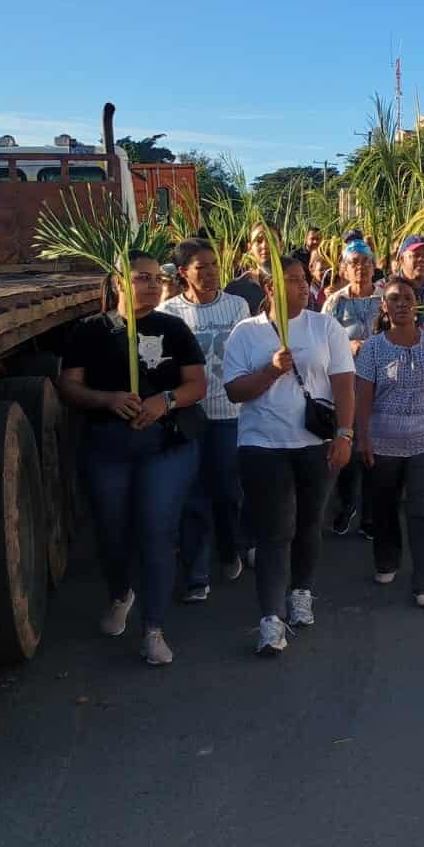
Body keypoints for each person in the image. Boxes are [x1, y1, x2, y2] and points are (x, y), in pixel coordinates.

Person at [58, 250, 209, 666]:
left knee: (157, 530)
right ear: (119, 281)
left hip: (165, 446)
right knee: (111, 531)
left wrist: (165, 401)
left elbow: (197, 384)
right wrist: (105, 399)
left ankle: (154, 628)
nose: (151, 284)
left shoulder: (173, 329)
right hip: (108, 447)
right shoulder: (89, 330)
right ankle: (121, 592)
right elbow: (69, 386)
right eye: (141, 277)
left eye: (156, 278)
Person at [223, 254, 355, 656]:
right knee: (274, 530)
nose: (302, 287)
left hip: (315, 444)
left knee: (308, 522)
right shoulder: (246, 333)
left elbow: (344, 384)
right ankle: (271, 618)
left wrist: (345, 435)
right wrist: (269, 372)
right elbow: (233, 392)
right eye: (293, 281)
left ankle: (302, 591)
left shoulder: (324, 326)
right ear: (270, 288)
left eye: (303, 279)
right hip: (263, 444)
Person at [354, 276, 424, 607]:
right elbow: (363, 395)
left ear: (416, 305)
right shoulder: (372, 347)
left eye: (407, 298)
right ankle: (387, 558)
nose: (401, 304)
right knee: (384, 505)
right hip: (383, 441)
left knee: (421, 509)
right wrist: (362, 437)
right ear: (385, 306)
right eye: (394, 299)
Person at [159, 239, 249, 601]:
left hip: (231, 415)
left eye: (214, 264)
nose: (210, 272)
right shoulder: (170, 313)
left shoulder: (238, 306)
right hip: (191, 417)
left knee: (229, 491)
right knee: (193, 496)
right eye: (201, 266)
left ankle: (229, 548)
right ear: (183, 273)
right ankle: (196, 574)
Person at [322, 240, 381, 537]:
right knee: (347, 444)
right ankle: (347, 505)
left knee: (375, 447)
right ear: (344, 269)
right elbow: (323, 340)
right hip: (347, 384)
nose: (361, 268)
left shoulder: (385, 298)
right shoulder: (334, 302)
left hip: (383, 383)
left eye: (366, 262)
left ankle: (371, 513)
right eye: (354, 262)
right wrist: (348, 345)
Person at [224, 221, 272, 315]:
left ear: (281, 245)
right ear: (249, 248)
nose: (265, 245)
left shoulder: (296, 282)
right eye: (258, 241)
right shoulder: (235, 288)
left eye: (271, 240)